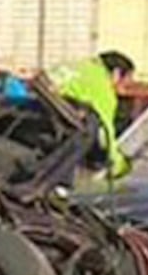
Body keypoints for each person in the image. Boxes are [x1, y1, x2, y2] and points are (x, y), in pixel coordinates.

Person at [54, 50, 138, 182]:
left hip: (36, 109)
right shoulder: (102, 88)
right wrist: (118, 163)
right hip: (57, 126)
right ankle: (61, 186)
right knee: (87, 131)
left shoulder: (78, 66)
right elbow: (105, 133)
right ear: (116, 73)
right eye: (126, 79)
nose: (126, 86)